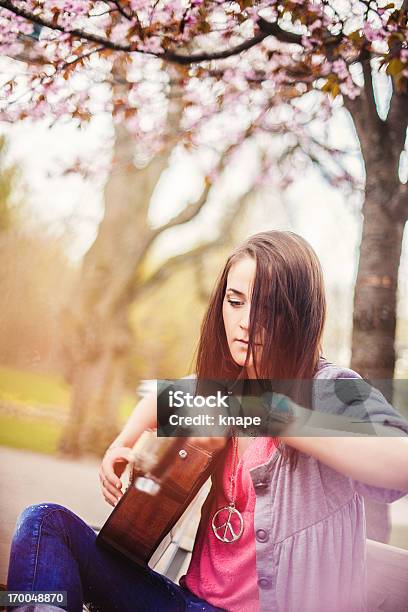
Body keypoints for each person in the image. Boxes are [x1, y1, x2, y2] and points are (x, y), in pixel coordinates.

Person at [6, 231, 408, 612]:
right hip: (189, 602)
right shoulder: (224, 389)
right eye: (235, 302)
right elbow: (158, 401)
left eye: (266, 307)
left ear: (298, 313)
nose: (245, 321)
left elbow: (400, 464)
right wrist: (122, 443)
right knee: (45, 524)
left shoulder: (330, 388)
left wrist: (283, 419)